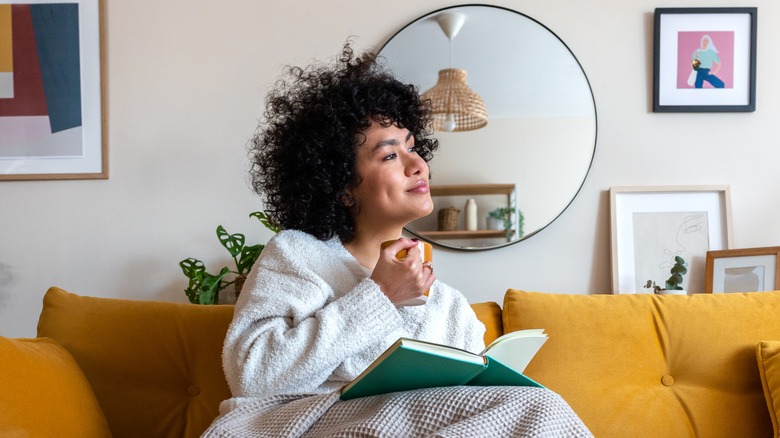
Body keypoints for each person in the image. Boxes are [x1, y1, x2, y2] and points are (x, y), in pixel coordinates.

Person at [202, 42, 591, 437]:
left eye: (412, 147)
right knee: (540, 407)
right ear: (341, 187)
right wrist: (380, 296)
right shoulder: (297, 255)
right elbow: (253, 375)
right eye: (389, 156)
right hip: (305, 425)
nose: (417, 164)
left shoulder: (448, 306)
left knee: (529, 405)